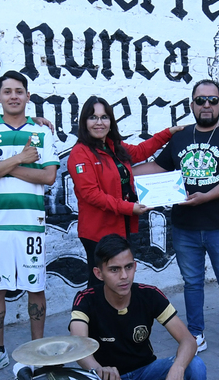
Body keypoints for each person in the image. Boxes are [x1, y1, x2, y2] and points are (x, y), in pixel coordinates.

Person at [69, 234, 206, 380]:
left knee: (196, 367)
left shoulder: (149, 295)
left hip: (145, 374)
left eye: (129, 267)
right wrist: (98, 369)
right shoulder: (86, 299)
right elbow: (78, 343)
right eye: (114, 270)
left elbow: (189, 341)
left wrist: (177, 369)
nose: (124, 276)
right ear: (98, 273)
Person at [154, 79, 219, 363]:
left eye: (213, 100)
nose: (207, 105)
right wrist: (124, 171)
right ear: (192, 105)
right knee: (192, 283)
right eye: (201, 100)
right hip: (185, 225)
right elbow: (157, 168)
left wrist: (207, 196)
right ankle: (196, 334)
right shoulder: (180, 137)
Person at [0, 70, 59, 377]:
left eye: (19, 91)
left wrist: (1, 168)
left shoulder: (43, 132)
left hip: (32, 224)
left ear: (27, 96)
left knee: (36, 288)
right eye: (7, 91)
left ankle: (37, 353)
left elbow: (48, 176)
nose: (13, 96)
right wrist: (20, 159)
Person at [68, 96, 179, 289]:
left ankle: (115, 317)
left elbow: (140, 152)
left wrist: (168, 133)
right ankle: (90, 319)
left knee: (119, 281)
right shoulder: (80, 153)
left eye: (104, 117)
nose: (99, 123)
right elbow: (91, 194)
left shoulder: (113, 147)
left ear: (111, 122)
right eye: (93, 117)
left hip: (120, 226)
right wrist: (129, 208)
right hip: (98, 231)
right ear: (84, 122)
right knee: (99, 284)